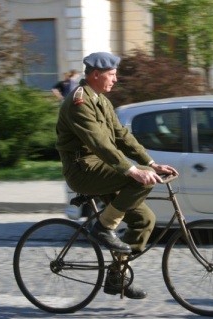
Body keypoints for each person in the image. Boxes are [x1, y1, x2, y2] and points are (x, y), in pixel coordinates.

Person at [55, 52, 178, 299]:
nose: (115, 79)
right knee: (141, 180)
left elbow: (122, 137)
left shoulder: (101, 101)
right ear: (96, 74)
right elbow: (100, 143)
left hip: (102, 169)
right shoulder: (78, 102)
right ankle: (103, 228)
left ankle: (116, 278)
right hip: (83, 170)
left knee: (144, 220)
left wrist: (151, 163)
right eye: (111, 75)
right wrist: (133, 170)